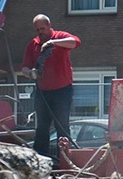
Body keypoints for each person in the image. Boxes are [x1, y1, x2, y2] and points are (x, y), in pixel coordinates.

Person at [21, 14, 80, 164]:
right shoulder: (32, 45)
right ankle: (40, 160)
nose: (40, 32)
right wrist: (31, 73)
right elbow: (25, 67)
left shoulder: (60, 37)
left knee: (62, 126)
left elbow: (75, 42)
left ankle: (65, 161)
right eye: (37, 29)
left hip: (62, 91)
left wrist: (54, 43)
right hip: (43, 91)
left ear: (49, 26)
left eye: (43, 28)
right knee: (42, 127)